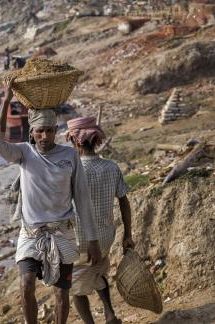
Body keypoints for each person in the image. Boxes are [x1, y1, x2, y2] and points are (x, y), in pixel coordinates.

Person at [0, 82, 101, 324]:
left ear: (56, 130)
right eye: (39, 131)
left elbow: (83, 201)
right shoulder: (23, 153)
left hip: (61, 233)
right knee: (26, 285)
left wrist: (92, 242)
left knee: (62, 293)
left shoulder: (70, 156)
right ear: (31, 132)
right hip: (30, 234)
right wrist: (6, 99)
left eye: (49, 131)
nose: (44, 136)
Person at [67, 117, 135, 324]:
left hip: (79, 240)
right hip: (105, 238)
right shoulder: (111, 167)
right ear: (97, 141)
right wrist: (128, 234)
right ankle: (109, 313)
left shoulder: (71, 170)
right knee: (97, 273)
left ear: (76, 142)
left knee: (76, 289)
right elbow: (124, 202)